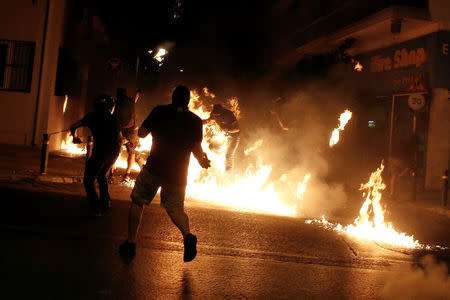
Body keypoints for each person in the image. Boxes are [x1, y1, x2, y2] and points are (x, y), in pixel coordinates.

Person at [119, 85, 211, 262]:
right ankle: (187, 236)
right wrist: (202, 162)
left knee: (138, 201)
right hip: (177, 174)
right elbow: (196, 148)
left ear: (173, 97)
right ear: (188, 101)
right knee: (175, 209)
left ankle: (130, 243)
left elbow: (143, 133)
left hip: (154, 167)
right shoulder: (195, 121)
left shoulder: (159, 111)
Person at [70, 94, 122, 216]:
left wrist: (75, 137)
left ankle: (96, 208)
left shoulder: (91, 117)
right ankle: (106, 201)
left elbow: (73, 126)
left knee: (88, 179)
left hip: (100, 152)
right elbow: (120, 137)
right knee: (101, 175)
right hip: (114, 152)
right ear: (110, 107)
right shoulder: (114, 119)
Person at [113, 88, 140, 180]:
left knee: (116, 151)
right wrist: (138, 92)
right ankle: (127, 174)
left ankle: (111, 174)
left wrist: (119, 133)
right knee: (131, 152)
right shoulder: (130, 101)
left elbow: (115, 118)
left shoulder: (117, 103)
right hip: (131, 130)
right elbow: (136, 98)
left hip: (120, 129)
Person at [205, 104, 240, 172]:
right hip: (224, 136)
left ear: (222, 112)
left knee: (228, 155)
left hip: (233, 137)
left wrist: (229, 130)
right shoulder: (213, 114)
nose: (216, 116)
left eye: (218, 115)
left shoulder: (229, 114)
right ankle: (221, 155)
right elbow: (210, 121)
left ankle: (228, 174)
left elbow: (237, 128)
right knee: (212, 147)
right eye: (215, 115)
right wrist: (203, 122)